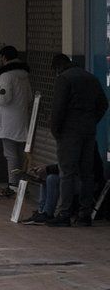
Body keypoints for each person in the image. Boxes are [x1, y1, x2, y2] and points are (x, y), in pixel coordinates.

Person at [46, 54, 109, 227]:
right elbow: (103, 103)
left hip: (69, 133)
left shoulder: (64, 79)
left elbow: (58, 109)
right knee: (86, 173)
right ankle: (85, 214)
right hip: (88, 131)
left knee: (66, 172)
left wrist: (56, 131)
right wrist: (91, 121)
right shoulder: (91, 78)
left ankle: (64, 214)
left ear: (58, 66)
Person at [0, 46, 32, 199]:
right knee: (18, 153)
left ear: (4, 57)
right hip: (21, 119)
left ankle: (13, 185)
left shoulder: (6, 76)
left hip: (8, 122)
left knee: (10, 154)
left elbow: (4, 98)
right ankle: (19, 183)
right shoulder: (24, 75)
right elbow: (30, 97)